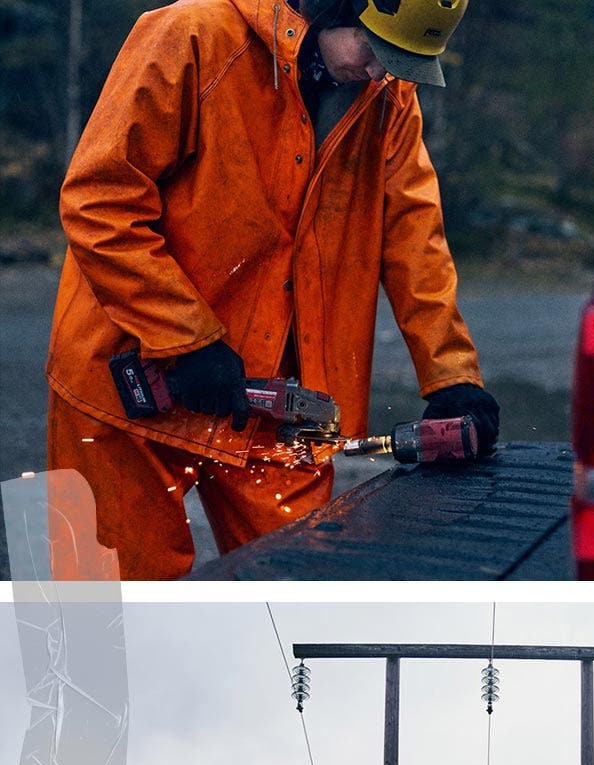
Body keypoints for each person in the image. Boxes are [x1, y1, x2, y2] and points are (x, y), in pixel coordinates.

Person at [46, 0, 500, 578]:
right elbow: (97, 200)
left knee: (298, 608)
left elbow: (414, 238)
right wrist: (184, 337)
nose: (381, 73)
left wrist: (452, 376)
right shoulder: (192, 36)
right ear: (335, 6)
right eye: (374, 52)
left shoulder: (388, 100)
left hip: (275, 408)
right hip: (127, 388)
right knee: (104, 622)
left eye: (400, 62)